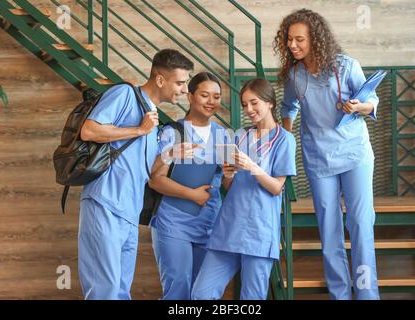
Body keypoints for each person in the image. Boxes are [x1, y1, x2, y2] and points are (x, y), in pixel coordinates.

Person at [273, 9, 380, 300]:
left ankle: (368, 294)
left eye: (299, 40)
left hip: (354, 154)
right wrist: (284, 140)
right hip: (319, 159)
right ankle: (340, 295)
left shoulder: (346, 66)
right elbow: (288, 108)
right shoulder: (295, 75)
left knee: (359, 223)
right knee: (329, 231)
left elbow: (371, 101)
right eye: (288, 40)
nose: (292, 46)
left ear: (316, 39)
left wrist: (358, 107)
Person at [77, 49, 194, 300]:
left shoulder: (151, 118)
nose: (185, 90)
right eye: (181, 82)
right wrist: (139, 130)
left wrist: (170, 154)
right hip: (105, 204)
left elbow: (149, 172)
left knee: (120, 291)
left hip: (129, 214)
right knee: (104, 290)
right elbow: (88, 130)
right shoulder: (125, 95)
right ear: (161, 80)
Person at [191, 78, 296, 300]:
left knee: (252, 298)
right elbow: (229, 186)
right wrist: (229, 174)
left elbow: (277, 187)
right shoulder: (240, 136)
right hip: (229, 227)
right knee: (201, 293)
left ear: (269, 103)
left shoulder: (284, 140)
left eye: (254, 103)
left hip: (259, 230)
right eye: (245, 104)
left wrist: (251, 166)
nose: (249, 109)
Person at [148, 72, 228, 300]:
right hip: (173, 222)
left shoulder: (223, 135)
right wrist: (191, 194)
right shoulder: (172, 132)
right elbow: (155, 179)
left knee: (202, 293)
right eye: (205, 95)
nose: (211, 101)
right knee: (178, 290)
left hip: (209, 225)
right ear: (191, 96)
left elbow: (225, 180)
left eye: (216, 96)